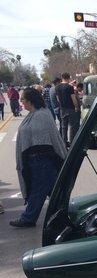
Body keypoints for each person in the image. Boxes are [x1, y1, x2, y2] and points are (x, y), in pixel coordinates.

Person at [10, 88, 67, 228]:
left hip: (42, 160)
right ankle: (64, 213)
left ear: (30, 101)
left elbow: (44, 141)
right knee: (53, 191)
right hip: (36, 161)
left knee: (37, 191)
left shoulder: (41, 115)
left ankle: (28, 218)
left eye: (23, 99)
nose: (21, 101)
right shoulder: (33, 114)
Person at [55, 72, 80, 146]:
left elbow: (58, 99)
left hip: (62, 108)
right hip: (71, 108)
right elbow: (73, 98)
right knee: (72, 126)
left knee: (64, 126)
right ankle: (72, 142)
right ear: (69, 78)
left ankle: (64, 142)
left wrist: (62, 104)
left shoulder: (57, 87)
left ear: (62, 78)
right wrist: (76, 106)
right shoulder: (69, 87)